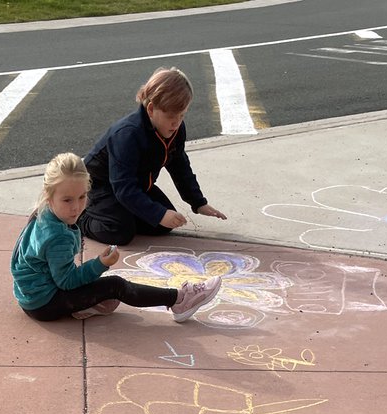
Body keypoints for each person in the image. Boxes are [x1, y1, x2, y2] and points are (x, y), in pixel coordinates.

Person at [12, 151, 221, 322]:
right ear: (49, 197)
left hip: (29, 297)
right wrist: (100, 263)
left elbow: (17, 258)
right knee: (116, 286)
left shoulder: (41, 214)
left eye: (82, 197)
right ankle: (179, 300)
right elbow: (67, 282)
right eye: (67, 200)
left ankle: (89, 305)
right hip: (44, 304)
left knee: (103, 290)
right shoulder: (57, 236)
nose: (76, 207)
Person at [78, 67, 227, 245]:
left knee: (164, 224)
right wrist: (157, 213)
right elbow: (123, 188)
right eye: (171, 116)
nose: (176, 122)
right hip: (99, 188)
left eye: (182, 115)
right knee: (120, 231)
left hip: (137, 185)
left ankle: (121, 214)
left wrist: (198, 202)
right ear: (150, 109)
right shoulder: (127, 134)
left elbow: (180, 166)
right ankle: (79, 217)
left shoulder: (175, 129)